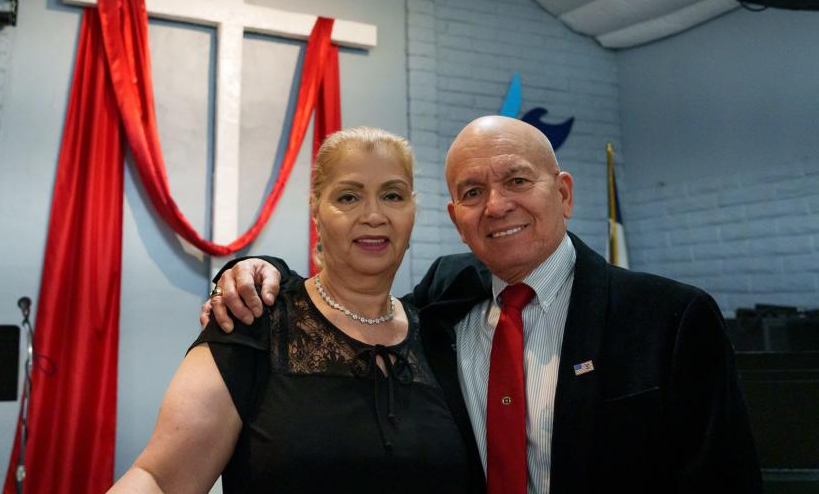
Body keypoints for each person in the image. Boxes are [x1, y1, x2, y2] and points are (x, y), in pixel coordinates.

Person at [205, 116, 763, 494]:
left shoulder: (669, 318)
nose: (496, 206)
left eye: (517, 180)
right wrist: (261, 271)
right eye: (472, 192)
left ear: (563, 193)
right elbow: (351, 308)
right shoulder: (441, 306)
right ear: (455, 219)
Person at [108, 127, 483, 494]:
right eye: (349, 197)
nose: (374, 215)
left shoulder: (441, 335)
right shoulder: (254, 321)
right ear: (316, 210)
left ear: (413, 209)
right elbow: (160, 479)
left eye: (393, 196)